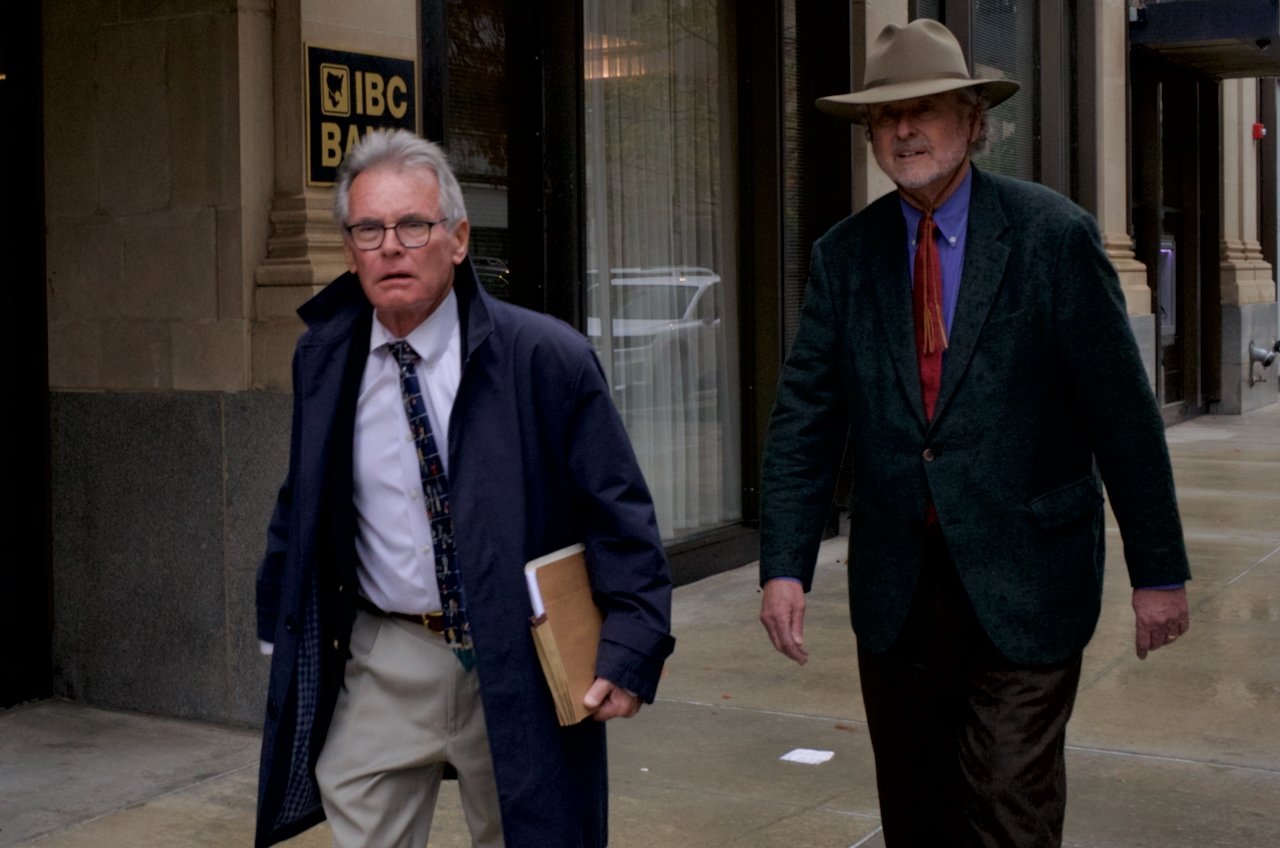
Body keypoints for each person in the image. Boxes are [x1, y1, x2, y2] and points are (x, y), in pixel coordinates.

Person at [757, 19, 1191, 847]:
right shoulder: (843, 258)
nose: (904, 130)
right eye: (886, 118)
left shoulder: (1053, 237)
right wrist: (783, 565)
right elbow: (806, 420)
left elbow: (1124, 420)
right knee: (917, 817)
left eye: (924, 110)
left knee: (1006, 809)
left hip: (1029, 579)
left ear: (973, 120)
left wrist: (1159, 572)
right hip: (899, 592)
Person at [254, 128, 675, 848]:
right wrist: (278, 616)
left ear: (457, 237)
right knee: (355, 808)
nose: (391, 246)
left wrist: (632, 645)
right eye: (369, 229)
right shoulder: (324, 357)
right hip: (388, 653)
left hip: (518, 657)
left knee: (528, 833)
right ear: (350, 249)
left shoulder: (543, 357)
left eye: (413, 225)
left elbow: (619, 511)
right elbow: (305, 496)